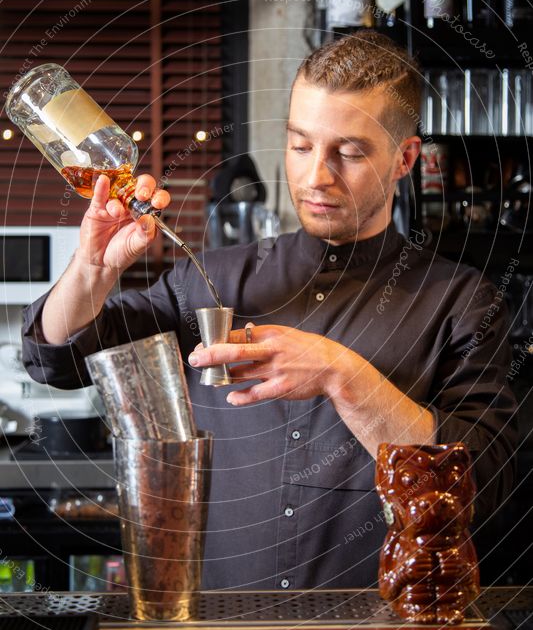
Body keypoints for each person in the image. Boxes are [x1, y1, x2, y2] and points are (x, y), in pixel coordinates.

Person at [22, 31, 517, 591]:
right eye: (300, 145)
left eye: (349, 153)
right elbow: (58, 360)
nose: (315, 178)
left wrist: (341, 374)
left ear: (405, 158)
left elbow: (481, 483)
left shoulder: (461, 302)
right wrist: (92, 267)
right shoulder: (211, 279)